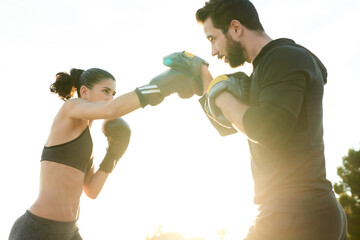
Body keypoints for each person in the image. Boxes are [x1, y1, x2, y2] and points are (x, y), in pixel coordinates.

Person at [164, 0, 348, 239]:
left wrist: (218, 93)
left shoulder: (284, 58)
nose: (213, 51)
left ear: (236, 28)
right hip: (298, 210)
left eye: (212, 39)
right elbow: (234, 125)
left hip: (297, 210)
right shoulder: (266, 68)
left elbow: (267, 131)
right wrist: (205, 83)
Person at [8, 65, 205, 240]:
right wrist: (164, 85)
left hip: (69, 231)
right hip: (38, 230)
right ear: (84, 92)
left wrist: (114, 154)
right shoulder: (69, 109)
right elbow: (112, 109)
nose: (110, 98)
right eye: (105, 91)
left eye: (113, 93)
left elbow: (91, 190)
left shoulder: (87, 142)